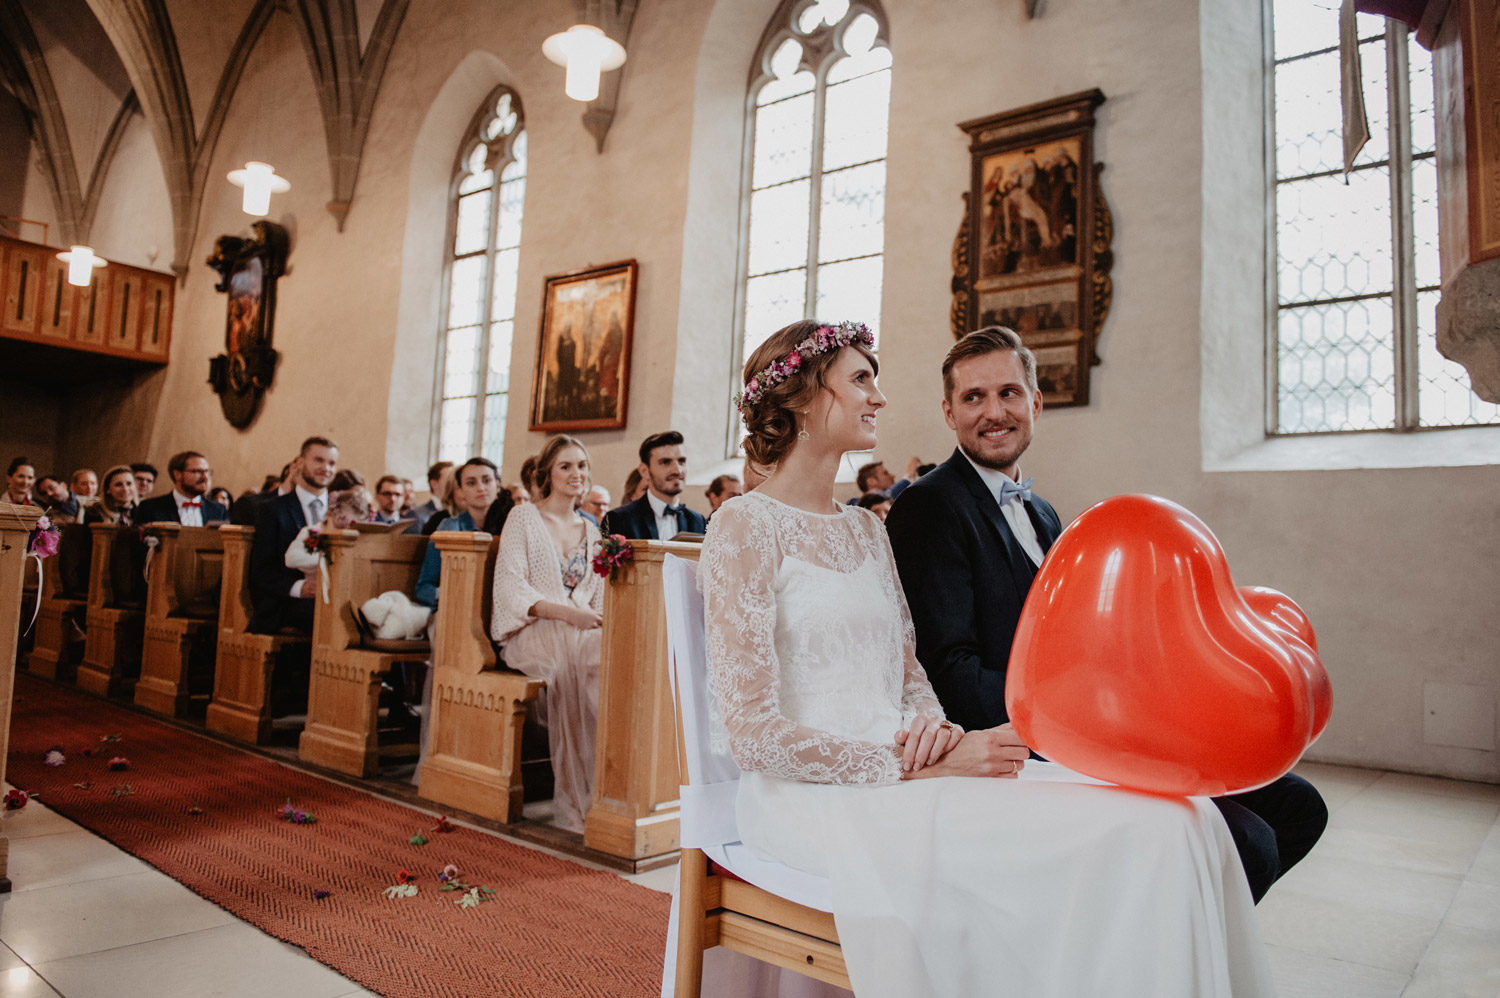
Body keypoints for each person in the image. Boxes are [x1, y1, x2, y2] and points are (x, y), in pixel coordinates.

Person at [699, 319, 1272, 996]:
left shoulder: (864, 528)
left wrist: (936, 731)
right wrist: (916, 766)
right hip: (815, 802)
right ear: (799, 398)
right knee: (1134, 839)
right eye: (861, 379)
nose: (879, 397)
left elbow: (908, 674)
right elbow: (754, 736)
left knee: (1181, 819)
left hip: (908, 770)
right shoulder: (743, 525)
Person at [885, 325, 1327, 905]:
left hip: (1087, 718)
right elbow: (952, 674)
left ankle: (1169, 933)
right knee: (1248, 840)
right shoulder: (930, 506)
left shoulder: (1043, 512)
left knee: (1297, 806)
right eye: (974, 398)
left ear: (1035, 403)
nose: (994, 412)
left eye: (1009, 393)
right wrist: (1099, 721)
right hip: (1021, 740)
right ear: (949, 412)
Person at [490, 435, 604, 834]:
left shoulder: (592, 530)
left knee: (605, 656)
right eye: (566, 467)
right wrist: (568, 615)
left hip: (578, 631)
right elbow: (511, 588)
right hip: (531, 631)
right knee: (571, 654)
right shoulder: (523, 517)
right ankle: (576, 801)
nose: (577, 475)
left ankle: (609, 792)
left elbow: (599, 596)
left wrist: (585, 618)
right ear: (547, 475)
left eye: (582, 466)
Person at [248, 436, 338, 634]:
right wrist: (299, 588)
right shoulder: (274, 510)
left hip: (334, 596)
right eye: (318, 460)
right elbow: (260, 571)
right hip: (287, 603)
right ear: (299, 462)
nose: (326, 468)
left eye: (332, 463)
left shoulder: (340, 510)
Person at [414, 457, 499, 608]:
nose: (480, 488)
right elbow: (424, 588)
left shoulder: (509, 525)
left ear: (497, 485)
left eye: (487, 480)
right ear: (460, 491)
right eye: (471, 483)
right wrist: (452, 594)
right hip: (453, 607)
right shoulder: (450, 527)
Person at [602, 430, 706, 539]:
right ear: (644, 471)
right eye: (666, 462)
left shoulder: (699, 522)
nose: (677, 471)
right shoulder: (619, 519)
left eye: (681, 461)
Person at [134, 451, 228, 525]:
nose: (205, 478)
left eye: (207, 472)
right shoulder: (150, 508)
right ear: (177, 475)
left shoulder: (219, 510)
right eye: (198, 471)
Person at [405, 461, 453, 534]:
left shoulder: (457, 513)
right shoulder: (417, 515)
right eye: (449, 480)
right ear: (434, 484)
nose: (454, 484)